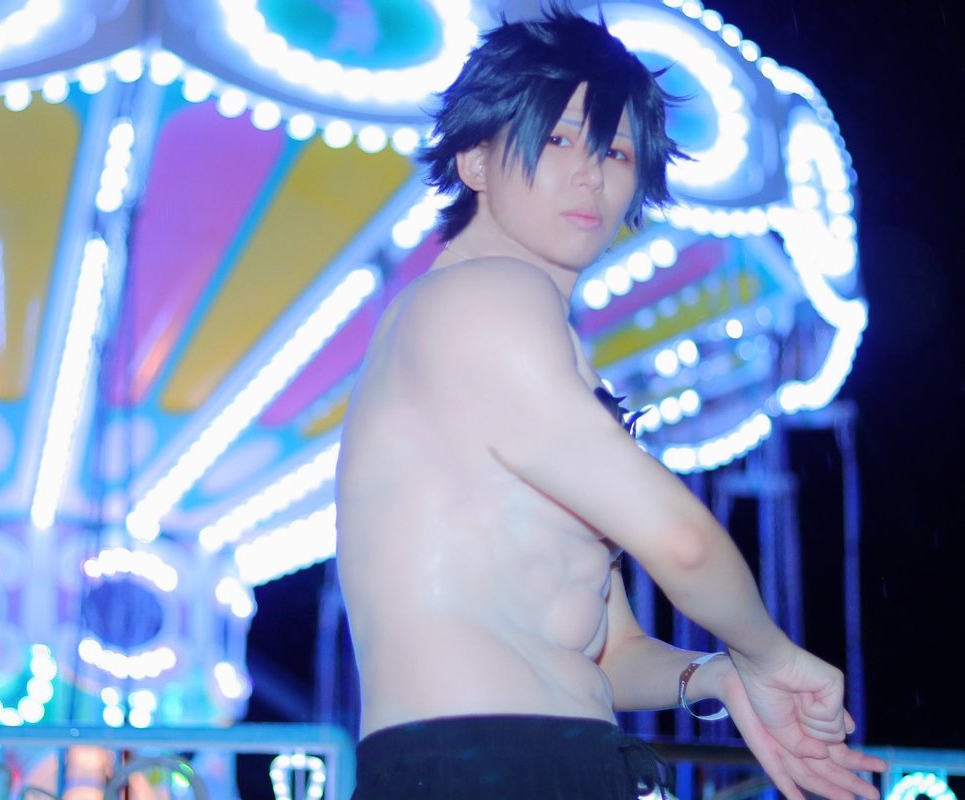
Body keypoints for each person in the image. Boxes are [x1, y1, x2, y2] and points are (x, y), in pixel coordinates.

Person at [334, 5, 886, 799]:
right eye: (558, 139)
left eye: (616, 151)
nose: (591, 173)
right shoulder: (484, 298)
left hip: (535, 755)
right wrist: (773, 656)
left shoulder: (518, 334)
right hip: (482, 767)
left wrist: (720, 675)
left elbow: (605, 648)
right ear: (475, 159)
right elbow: (682, 543)